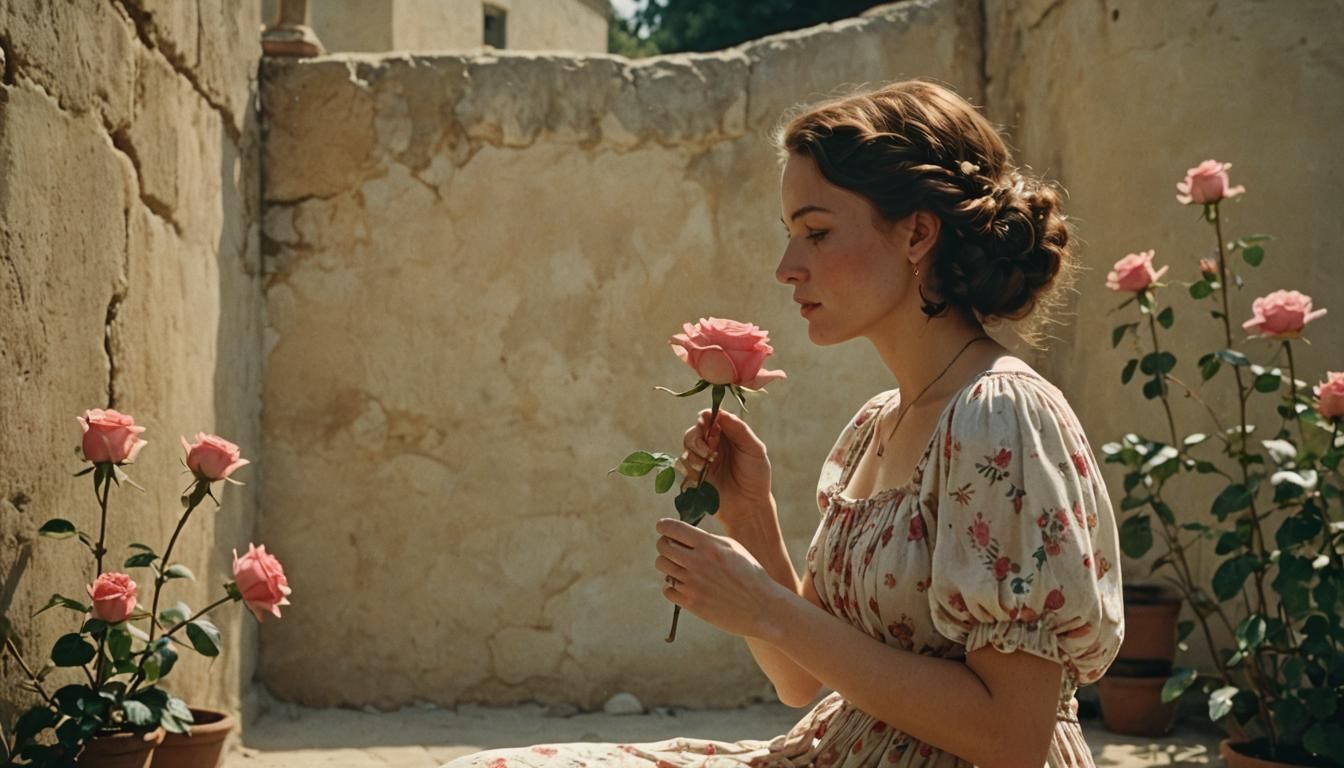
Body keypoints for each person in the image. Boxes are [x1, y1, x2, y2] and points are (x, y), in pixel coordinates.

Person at [445, 79, 1123, 768]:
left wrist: (769, 607)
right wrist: (751, 517)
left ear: (917, 232)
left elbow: (1014, 739)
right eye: (791, 234)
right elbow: (800, 679)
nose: (786, 267)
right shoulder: (877, 424)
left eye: (817, 232)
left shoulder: (999, 416)